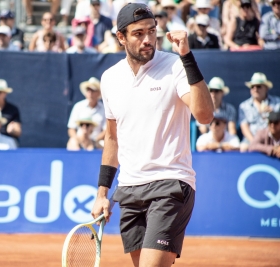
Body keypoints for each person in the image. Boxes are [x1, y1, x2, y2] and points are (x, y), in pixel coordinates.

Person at [91, 3, 214, 267]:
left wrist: (187, 57)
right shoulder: (110, 78)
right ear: (121, 37)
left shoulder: (175, 66)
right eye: (138, 33)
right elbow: (112, 139)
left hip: (170, 184)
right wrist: (102, 193)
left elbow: (204, 116)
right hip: (129, 190)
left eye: (152, 31)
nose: (148, 40)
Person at [239, 72, 280, 152]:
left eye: (258, 86)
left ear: (266, 88)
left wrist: (273, 113)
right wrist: (255, 143)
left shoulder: (277, 103)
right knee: (243, 148)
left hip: (272, 141)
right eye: (252, 86)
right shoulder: (244, 106)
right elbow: (244, 127)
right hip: (250, 141)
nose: (255, 89)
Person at [67, 77, 106, 145]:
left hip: (96, 142)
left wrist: (95, 141)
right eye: (88, 90)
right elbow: (71, 128)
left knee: (105, 145)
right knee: (72, 142)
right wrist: (78, 139)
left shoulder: (104, 109)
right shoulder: (78, 106)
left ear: (98, 93)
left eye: (93, 90)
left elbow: (106, 130)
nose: (90, 93)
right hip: (79, 141)